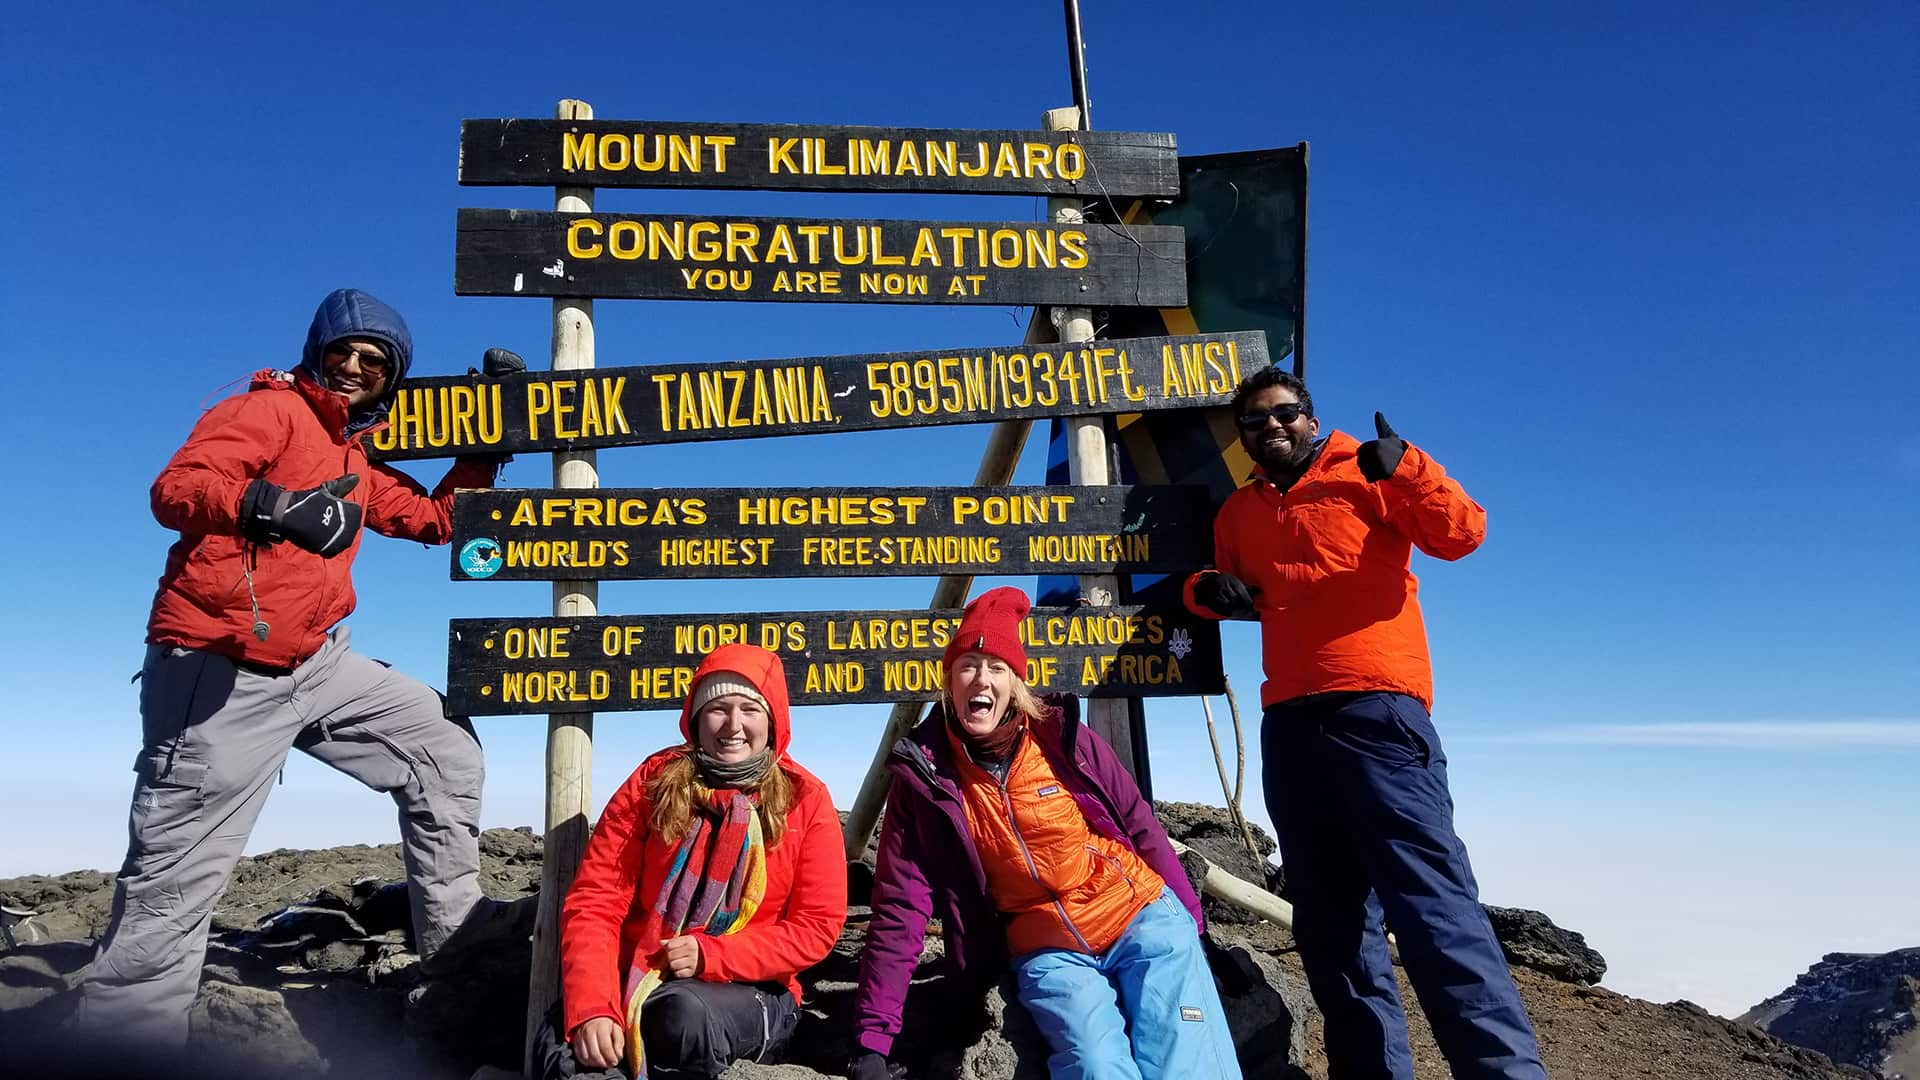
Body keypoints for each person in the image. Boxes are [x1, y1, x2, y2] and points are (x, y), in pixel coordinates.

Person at [70, 288, 521, 1052]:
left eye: (374, 360)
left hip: (315, 661)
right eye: (342, 352)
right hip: (219, 668)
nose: (354, 367)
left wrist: (485, 447)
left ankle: (454, 934)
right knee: (175, 878)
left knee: (441, 744)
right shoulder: (268, 413)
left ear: (392, 376)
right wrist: (268, 504)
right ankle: (125, 1040)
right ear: (317, 352)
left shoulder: (352, 448)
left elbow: (436, 520)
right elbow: (175, 489)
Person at [1184, 366, 1547, 1079]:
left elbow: (1462, 533)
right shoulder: (1241, 511)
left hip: (1377, 714)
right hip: (1289, 723)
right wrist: (1205, 591)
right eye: (1254, 422)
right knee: (1331, 926)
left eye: (1283, 413)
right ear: (1245, 438)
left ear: (1311, 418)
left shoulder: (1371, 471)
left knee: (1433, 912)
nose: (1271, 428)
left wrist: (1410, 466)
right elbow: (1216, 584)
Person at [850, 587, 1241, 1080]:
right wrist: (871, 1041)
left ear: (1016, 683)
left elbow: (1142, 828)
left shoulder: (1063, 739)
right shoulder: (925, 777)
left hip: (1139, 915)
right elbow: (900, 906)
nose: (981, 679)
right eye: (968, 664)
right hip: (1048, 948)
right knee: (1096, 1067)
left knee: (1185, 1061)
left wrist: (1199, 931)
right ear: (948, 680)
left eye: (996, 668)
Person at [544, 644, 848, 1080]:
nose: (734, 725)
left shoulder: (805, 798)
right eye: (718, 709)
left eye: (750, 710)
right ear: (695, 718)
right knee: (568, 1050)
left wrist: (712, 955)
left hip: (751, 989)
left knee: (680, 1017)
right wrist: (593, 1005)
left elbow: (816, 926)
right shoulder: (653, 782)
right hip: (637, 976)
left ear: (774, 721)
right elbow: (597, 900)